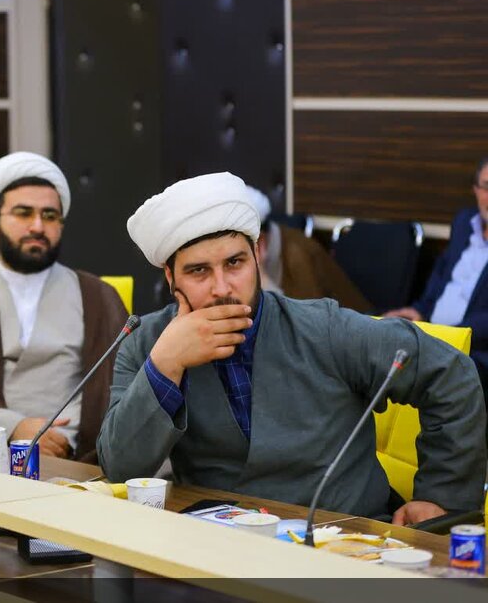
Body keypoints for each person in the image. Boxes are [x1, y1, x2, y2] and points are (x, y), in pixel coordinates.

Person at [98, 172, 486, 523]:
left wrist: (441, 497)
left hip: (340, 540)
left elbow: (450, 374)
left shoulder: (325, 328)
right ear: (170, 277)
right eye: (199, 271)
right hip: (217, 548)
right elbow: (120, 468)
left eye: (234, 263)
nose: (221, 287)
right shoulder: (147, 343)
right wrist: (167, 364)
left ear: (257, 255)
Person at [0, 152, 128, 461]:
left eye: (50, 216)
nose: (38, 226)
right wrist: (13, 428)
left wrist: (59, 439)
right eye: (23, 213)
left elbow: (118, 383)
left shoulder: (99, 297)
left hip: (74, 454)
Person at [385, 157, 488, 417]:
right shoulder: (464, 223)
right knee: (377, 336)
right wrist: (419, 311)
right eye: (487, 186)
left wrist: (449, 336)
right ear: (475, 189)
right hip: (431, 332)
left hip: (474, 349)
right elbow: (441, 276)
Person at [245, 186, 371, 313]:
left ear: (259, 244)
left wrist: (265, 283)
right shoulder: (267, 239)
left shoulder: (297, 256)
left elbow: (308, 319)